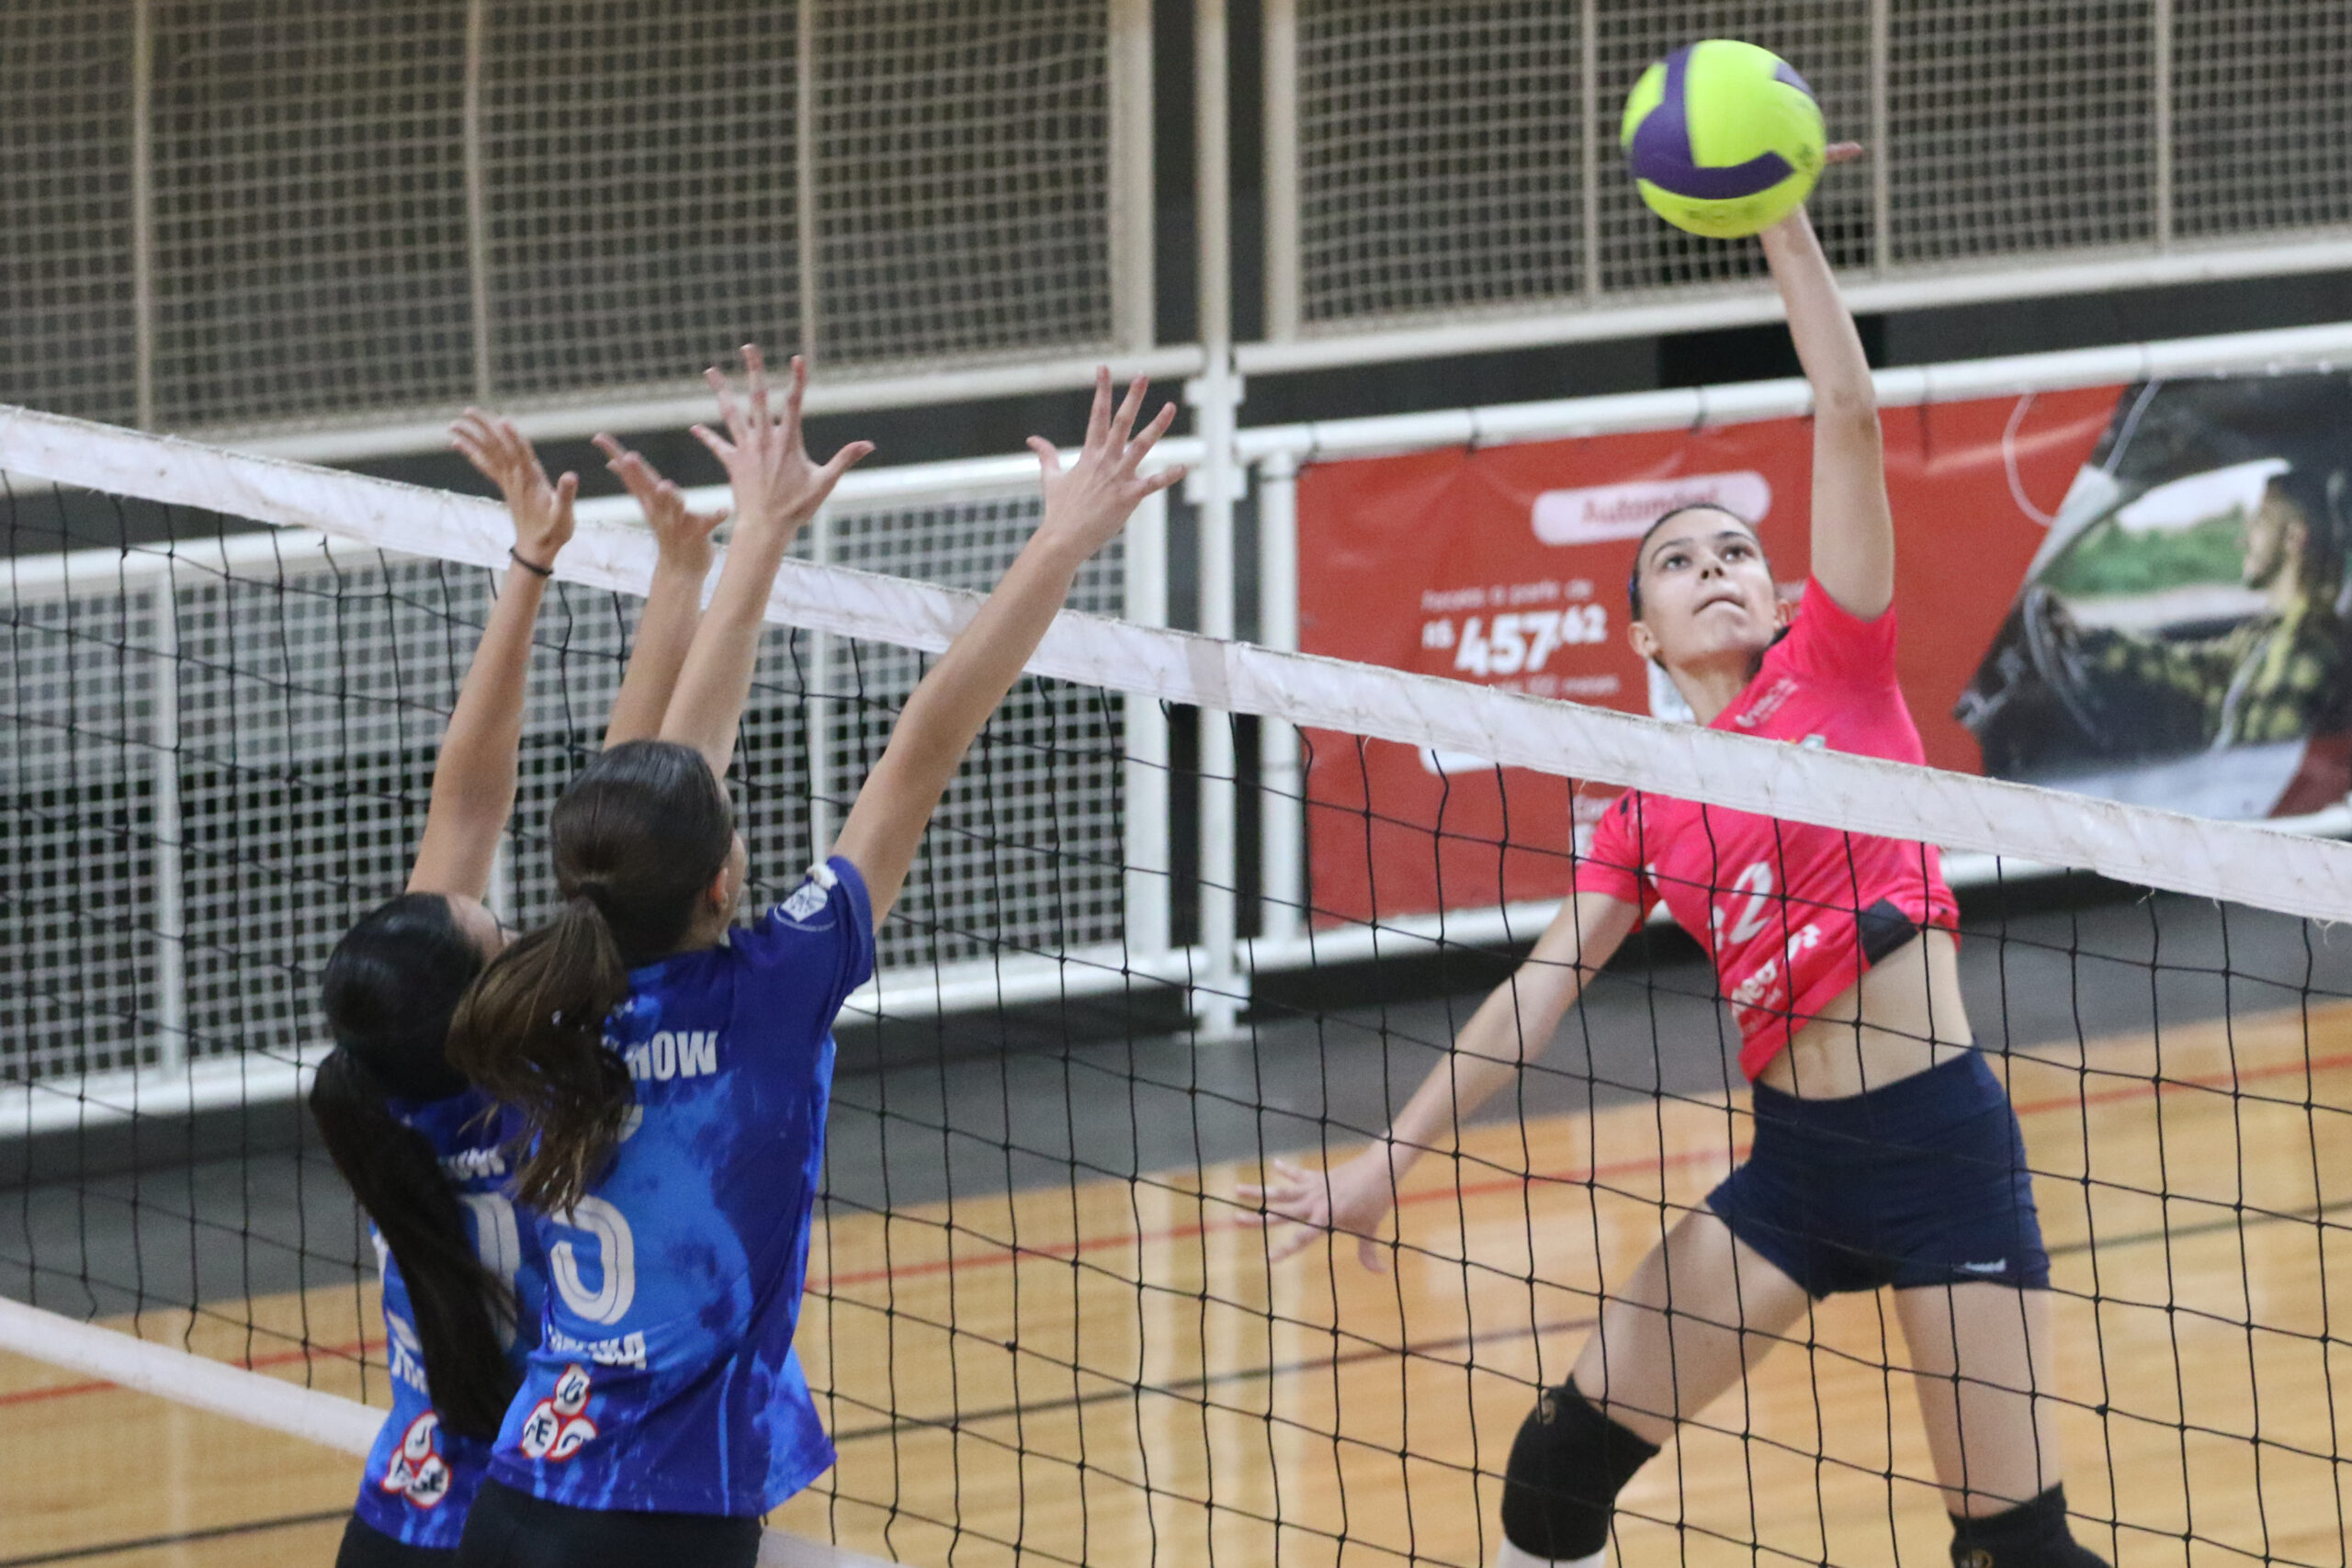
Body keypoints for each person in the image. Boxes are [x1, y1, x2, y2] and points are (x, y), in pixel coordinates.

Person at [1240, 177, 2108, 1568]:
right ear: (1640, 631)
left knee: (2019, 1549)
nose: (1713, 567)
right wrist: (1384, 1162)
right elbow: (1540, 987)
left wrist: (1776, 215)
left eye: (1736, 554)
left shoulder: (1841, 665)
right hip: (1794, 1170)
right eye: (1675, 561)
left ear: (1777, 602)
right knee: (1551, 1478)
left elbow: (1850, 411)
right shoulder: (1642, 800)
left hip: (1939, 1143)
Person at [444, 351, 1182, 1568]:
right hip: (663, 1526)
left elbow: (666, 772)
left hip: (520, 1492)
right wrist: (1064, 535)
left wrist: (763, 538)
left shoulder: (538, 991)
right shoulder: (772, 989)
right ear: (723, 879)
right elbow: (925, 738)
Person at [314, 411, 726, 1566]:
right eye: (500, 936)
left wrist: (536, 561)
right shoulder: (548, 1066)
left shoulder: (378, 1083)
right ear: (484, 1003)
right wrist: (674, 580)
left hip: (400, 1519)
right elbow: (635, 774)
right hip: (533, 1517)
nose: (514, 925)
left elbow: (464, 808)